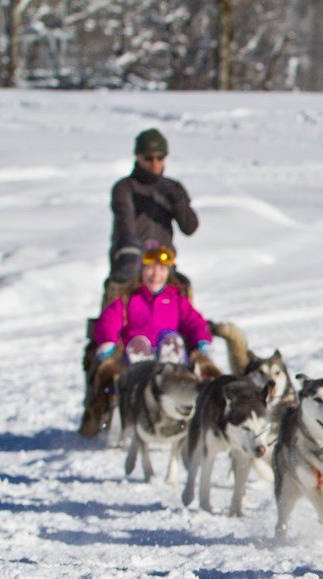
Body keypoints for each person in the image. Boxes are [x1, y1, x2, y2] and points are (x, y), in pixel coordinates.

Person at [79, 243, 219, 437]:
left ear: (168, 272)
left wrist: (203, 340)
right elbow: (109, 321)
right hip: (136, 359)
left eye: (161, 269)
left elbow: (194, 322)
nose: (156, 275)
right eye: (150, 269)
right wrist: (107, 342)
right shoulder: (130, 298)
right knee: (138, 343)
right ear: (141, 271)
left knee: (171, 340)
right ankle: (140, 397)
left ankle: (174, 390)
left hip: (170, 358)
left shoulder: (176, 299)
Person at [106, 128, 198, 306]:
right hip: (131, 265)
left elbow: (190, 227)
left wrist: (177, 199)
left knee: (183, 291)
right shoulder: (124, 188)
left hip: (163, 266)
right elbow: (126, 224)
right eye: (148, 158)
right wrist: (131, 256)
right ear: (138, 157)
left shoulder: (173, 188)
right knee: (119, 305)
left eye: (160, 157)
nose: (155, 163)